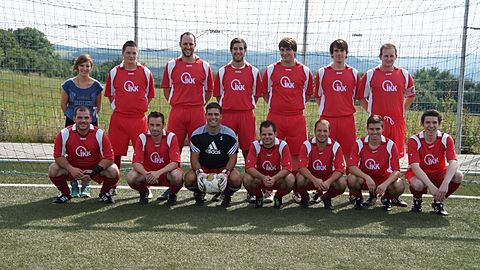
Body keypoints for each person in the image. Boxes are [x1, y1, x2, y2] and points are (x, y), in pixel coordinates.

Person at [356, 43, 415, 207]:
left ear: (396, 56)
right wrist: (371, 113)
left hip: (397, 123)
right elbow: (361, 97)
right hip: (377, 125)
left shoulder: (404, 74)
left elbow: (411, 94)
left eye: (391, 56)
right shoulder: (370, 75)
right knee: (373, 156)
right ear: (380, 56)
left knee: (395, 160)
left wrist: (401, 110)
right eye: (385, 55)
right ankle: (371, 195)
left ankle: (391, 195)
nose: (388, 59)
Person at [159, 32, 214, 201]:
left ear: (195, 45)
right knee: (172, 149)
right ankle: (172, 189)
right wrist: (177, 102)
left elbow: (209, 91)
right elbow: (166, 89)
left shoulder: (204, 66)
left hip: (197, 111)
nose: (188, 47)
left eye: (191, 44)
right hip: (177, 111)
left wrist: (197, 104)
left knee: (199, 150)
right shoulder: (171, 65)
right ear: (180, 44)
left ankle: (200, 187)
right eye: (185, 44)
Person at [262, 37, 313, 204]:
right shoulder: (271, 70)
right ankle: (269, 189)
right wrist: (277, 106)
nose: (285, 53)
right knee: (270, 151)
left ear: (294, 51)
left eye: (288, 50)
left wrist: (293, 106)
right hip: (275, 116)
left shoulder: (305, 71)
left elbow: (307, 94)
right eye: (282, 50)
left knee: (297, 154)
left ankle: (296, 190)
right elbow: (265, 93)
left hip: (296, 118)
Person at [213, 37, 263, 203]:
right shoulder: (222, 72)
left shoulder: (253, 71)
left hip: (246, 115)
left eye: (241, 49)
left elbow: (256, 94)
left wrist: (246, 105)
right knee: (224, 152)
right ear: (231, 50)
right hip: (227, 114)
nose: (238, 52)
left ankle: (251, 188)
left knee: (249, 152)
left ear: (245, 50)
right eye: (235, 49)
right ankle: (222, 186)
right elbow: (218, 94)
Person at [313, 39, 359, 204]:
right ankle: (320, 190)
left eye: (342, 51)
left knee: (350, 157)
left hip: (347, 120)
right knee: (324, 155)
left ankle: (354, 192)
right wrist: (326, 112)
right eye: (336, 51)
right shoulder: (322, 72)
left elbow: (355, 96)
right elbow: (317, 95)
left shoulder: (354, 73)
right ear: (331, 53)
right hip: (328, 120)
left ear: (346, 53)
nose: (339, 54)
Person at [48, 106, 119, 204]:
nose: (83, 121)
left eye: (86, 118)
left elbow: (109, 157)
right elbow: (58, 156)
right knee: (53, 169)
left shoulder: (99, 134)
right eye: (80, 118)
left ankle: (104, 194)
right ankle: (65, 194)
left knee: (113, 170)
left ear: (91, 119)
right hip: (73, 167)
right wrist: (71, 169)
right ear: (74, 119)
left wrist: (93, 172)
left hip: (94, 168)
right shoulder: (64, 133)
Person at [104, 40, 155, 171]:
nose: (131, 56)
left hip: (138, 119)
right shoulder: (114, 72)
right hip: (119, 119)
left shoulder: (146, 72)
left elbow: (149, 95)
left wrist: (139, 107)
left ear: (137, 55)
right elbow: (110, 94)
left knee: (142, 152)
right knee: (114, 153)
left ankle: (145, 186)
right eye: (128, 53)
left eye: (134, 53)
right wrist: (118, 107)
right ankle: (112, 185)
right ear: (123, 54)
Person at [60, 53, 103, 197]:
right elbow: (63, 104)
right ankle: (73, 184)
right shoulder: (68, 85)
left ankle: (85, 184)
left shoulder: (96, 85)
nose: (84, 68)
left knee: (90, 152)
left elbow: (98, 106)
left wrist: (88, 120)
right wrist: (73, 118)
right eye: (82, 65)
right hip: (73, 121)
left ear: (91, 68)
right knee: (72, 152)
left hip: (90, 122)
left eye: (87, 66)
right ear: (77, 67)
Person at [184, 102, 242, 207]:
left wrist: (225, 173)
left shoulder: (229, 134)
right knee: (189, 178)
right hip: (204, 168)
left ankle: (226, 195)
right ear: (205, 116)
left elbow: (232, 158)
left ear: (221, 116)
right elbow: (194, 158)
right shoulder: (197, 134)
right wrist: (199, 172)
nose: (213, 117)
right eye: (210, 114)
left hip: (222, 168)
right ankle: (199, 193)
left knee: (236, 178)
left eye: (216, 114)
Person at [406, 109, 463, 216]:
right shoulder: (414, 140)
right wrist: (431, 187)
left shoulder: (446, 138)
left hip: (438, 172)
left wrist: (445, 184)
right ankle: (417, 200)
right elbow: (415, 167)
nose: (431, 126)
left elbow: (454, 162)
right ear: (422, 124)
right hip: (419, 173)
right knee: (418, 185)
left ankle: (438, 201)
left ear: (439, 124)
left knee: (458, 175)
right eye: (427, 122)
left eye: (434, 122)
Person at [347, 115, 404, 211]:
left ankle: (386, 198)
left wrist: (385, 184)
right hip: (366, 179)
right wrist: (367, 177)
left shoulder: (390, 144)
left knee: (399, 185)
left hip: (383, 179)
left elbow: (396, 171)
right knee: (351, 178)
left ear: (382, 129)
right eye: (371, 129)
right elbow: (351, 167)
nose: (374, 132)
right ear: (367, 129)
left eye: (378, 129)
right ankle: (358, 199)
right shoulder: (359, 143)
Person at [126, 112, 184, 205]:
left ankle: (172, 194)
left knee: (178, 176)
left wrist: (158, 173)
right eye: (151, 125)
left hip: (165, 174)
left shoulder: (171, 137)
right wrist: (146, 174)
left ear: (163, 125)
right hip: (147, 175)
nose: (154, 128)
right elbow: (136, 162)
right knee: (130, 176)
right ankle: (144, 192)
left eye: (158, 125)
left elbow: (175, 162)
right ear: (147, 125)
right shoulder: (142, 137)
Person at [295, 119, 347, 209]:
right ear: (314, 131)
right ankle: (305, 197)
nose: (322, 134)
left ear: (329, 132)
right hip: (312, 177)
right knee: (299, 178)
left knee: (342, 183)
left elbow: (340, 169)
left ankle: (326, 197)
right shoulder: (307, 144)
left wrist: (328, 182)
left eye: (325, 131)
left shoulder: (335, 145)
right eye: (319, 130)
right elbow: (301, 166)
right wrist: (314, 180)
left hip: (328, 178)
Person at [243, 120, 295, 208]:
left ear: (275, 134)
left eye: (270, 134)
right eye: (264, 134)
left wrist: (274, 178)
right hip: (261, 178)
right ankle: (259, 197)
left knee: (290, 179)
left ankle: (278, 198)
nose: (267, 137)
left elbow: (288, 167)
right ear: (260, 135)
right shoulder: (255, 145)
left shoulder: (282, 145)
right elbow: (249, 167)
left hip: (277, 179)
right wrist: (263, 177)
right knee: (247, 178)